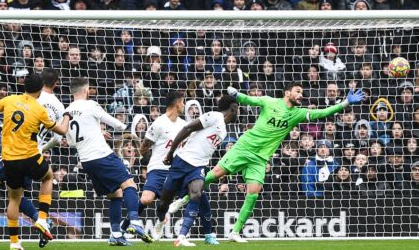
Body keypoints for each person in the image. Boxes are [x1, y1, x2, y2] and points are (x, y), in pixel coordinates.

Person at [171, 82, 364, 242]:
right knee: (214, 176)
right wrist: (237, 94)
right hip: (244, 147)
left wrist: (345, 102)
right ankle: (184, 199)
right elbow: (249, 100)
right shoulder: (269, 101)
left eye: (302, 93)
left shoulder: (298, 113)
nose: (301, 95)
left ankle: (235, 232)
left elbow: (323, 113)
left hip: (260, 158)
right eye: (298, 91)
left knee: (253, 195)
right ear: (287, 92)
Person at [0, 73, 71, 250]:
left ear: (24, 86)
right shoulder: (41, 109)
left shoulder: (10, 100)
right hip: (31, 156)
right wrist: (67, 116)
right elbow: (60, 132)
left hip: (10, 159)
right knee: (47, 177)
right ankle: (42, 220)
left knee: (9, 196)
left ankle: (9, 239)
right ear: (40, 89)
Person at [63, 77, 152, 245]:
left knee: (115, 194)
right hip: (102, 155)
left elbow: (71, 142)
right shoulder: (91, 105)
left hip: (87, 161)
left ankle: (116, 235)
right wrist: (116, 126)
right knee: (130, 185)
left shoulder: (67, 111)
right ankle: (134, 221)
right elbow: (118, 125)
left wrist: (95, 131)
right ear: (86, 90)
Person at [157, 95, 239, 246]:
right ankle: (161, 221)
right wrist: (170, 153)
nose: (238, 113)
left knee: (196, 195)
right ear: (233, 109)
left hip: (198, 167)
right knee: (163, 203)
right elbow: (187, 128)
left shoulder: (225, 131)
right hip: (181, 162)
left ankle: (182, 236)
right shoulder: (214, 116)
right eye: (237, 110)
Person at [119, 92, 187, 238]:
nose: (184, 105)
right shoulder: (159, 124)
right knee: (146, 199)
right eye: (183, 102)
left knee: (167, 203)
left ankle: (162, 221)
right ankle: (123, 227)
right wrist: (156, 160)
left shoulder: (184, 125)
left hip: (176, 171)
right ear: (177, 103)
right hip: (157, 169)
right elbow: (143, 148)